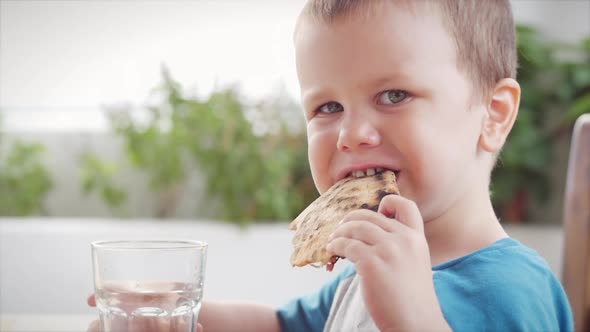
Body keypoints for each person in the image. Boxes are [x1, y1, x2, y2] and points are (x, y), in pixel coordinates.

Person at [88, 0, 574, 331]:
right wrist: (180, 316)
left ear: (493, 114)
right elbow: (284, 326)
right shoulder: (365, 269)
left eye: (393, 95)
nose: (349, 134)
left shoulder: (511, 290)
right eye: (327, 108)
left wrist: (415, 320)